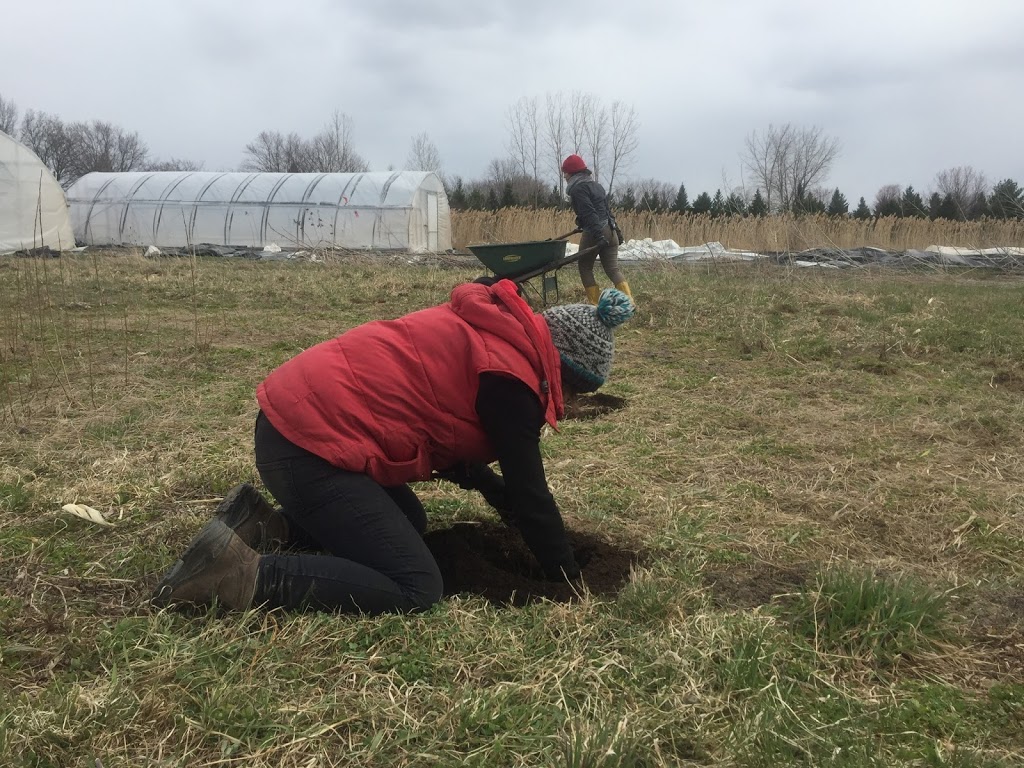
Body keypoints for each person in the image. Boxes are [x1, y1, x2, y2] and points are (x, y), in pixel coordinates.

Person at [152, 279, 636, 615]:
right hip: (307, 448)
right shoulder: (514, 382)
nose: (568, 404)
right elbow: (534, 495)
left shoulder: (496, 335)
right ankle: (238, 574)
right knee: (416, 586)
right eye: (576, 394)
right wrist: (569, 578)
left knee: (411, 521)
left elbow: (454, 442)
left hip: (293, 425)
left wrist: (494, 494)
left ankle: (267, 525)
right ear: (567, 373)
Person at [562, 153, 633, 306]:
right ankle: (630, 303)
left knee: (585, 267)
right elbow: (607, 211)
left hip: (596, 232)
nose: (564, 176)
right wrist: (617, 232)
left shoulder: (578, 189)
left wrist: (598, 236)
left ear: (573, 173)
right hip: (610, 229)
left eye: (565, 173)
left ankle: (594, 306)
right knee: (613, 269)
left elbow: (590, 213)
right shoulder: (596, 186)